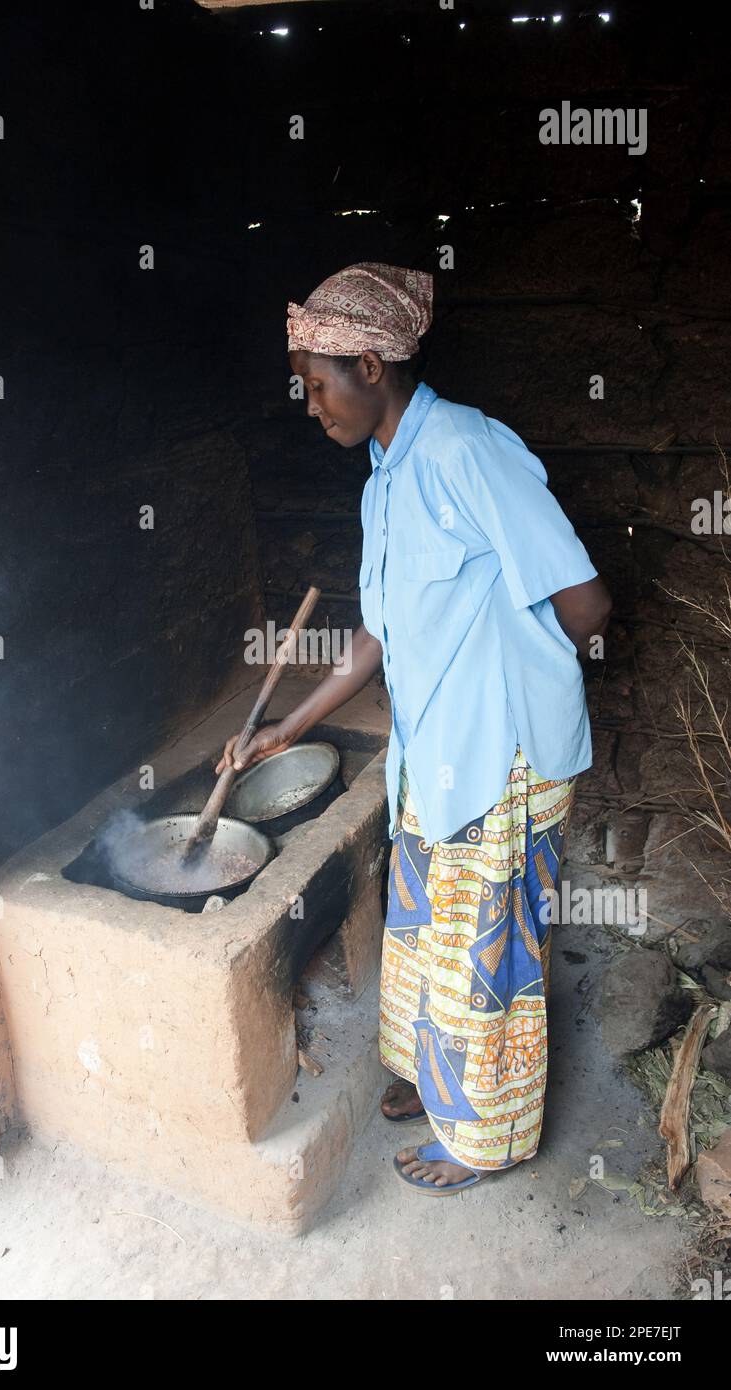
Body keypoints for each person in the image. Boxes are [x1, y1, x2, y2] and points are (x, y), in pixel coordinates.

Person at [216, 262, 612, 1194]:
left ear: (370, 364)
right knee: (430, 926)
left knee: (487, 961)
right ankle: (443, 1084)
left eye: (317, 385)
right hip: (432, 758)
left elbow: (587, 602)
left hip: (498, 759)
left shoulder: (467, 451)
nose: (310, 405)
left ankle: (488, 1137)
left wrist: (519, 672)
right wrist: (287, 727)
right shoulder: (383, 479)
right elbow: (376, 637)